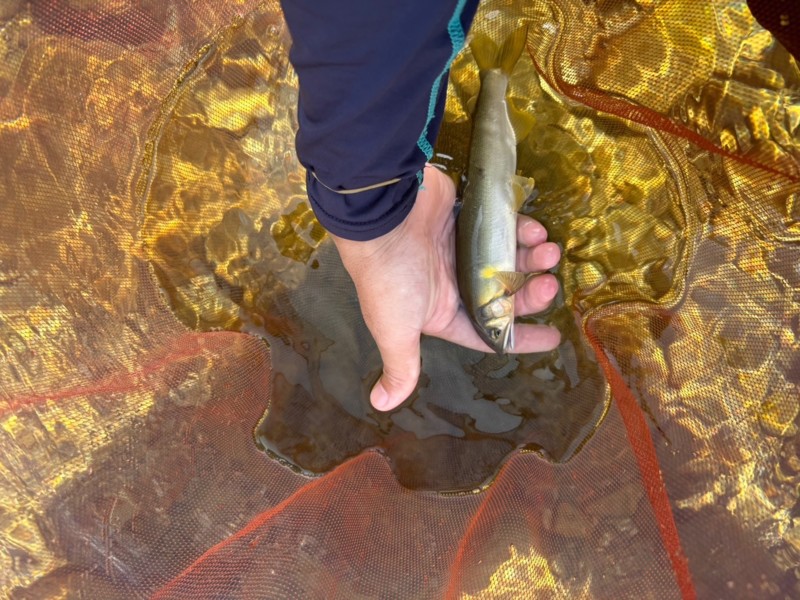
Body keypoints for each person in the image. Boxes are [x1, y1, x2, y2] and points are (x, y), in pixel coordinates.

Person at [279, 0, 562, 412]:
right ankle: (494, 73)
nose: (503, 332)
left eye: (496, 329)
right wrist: (372, 219)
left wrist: (371, 214)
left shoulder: (498, 290)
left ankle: (494, 73)